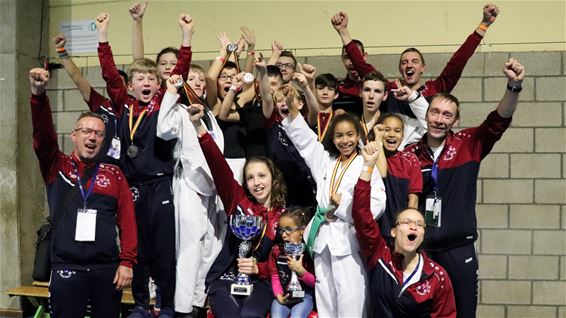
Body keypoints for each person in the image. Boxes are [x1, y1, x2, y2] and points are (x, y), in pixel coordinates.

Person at [405, 58, 525, 317]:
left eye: (447, 114)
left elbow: (499, 119)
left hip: (460, 250)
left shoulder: (469, 144)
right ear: (426, 115)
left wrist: (513, 86)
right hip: (422, 250)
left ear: (456, 120)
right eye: (434, 112)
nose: (439, 119)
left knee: (464, 313)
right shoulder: (411, 154)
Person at [96, 11, 193, 318]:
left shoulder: (162, 101)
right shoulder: (123, 104)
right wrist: (103, 35)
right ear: (131, 86)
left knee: (164, 248)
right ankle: (140, 303)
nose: (147, 81)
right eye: (140, 78)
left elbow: (180, 71)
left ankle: (165, 304)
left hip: (162, 183)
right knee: (136, 247)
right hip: (133, 186)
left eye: (152, 77)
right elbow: (110, 74)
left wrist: (186, 37)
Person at [28, 68, 137, 318]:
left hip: (106, 270)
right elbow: (42, 136)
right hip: (67, 267)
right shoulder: (57, 165)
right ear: (74, 136)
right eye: (86, 131)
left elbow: (128, 222)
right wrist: (38, 95)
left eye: (98, 133)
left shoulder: (114, 174)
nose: (92, 137)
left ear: (103, 140)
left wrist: (127, 261)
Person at [281, 96, 387, 317]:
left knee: (351, 297)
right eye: (339, 135)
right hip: (323, 239)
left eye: (350, 134)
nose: (344, 140)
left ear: (358, 136)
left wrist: (344, 203)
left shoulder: (365, 164)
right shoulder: (328, 161)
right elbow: (308, 143)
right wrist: (292, 111)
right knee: (325, 297)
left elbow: (378, 203)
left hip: (348, 240)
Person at [187, 103, 286, 317]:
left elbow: (285, 262)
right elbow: (218, 165)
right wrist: (199, 128)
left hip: (263, 280)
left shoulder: (284, 216)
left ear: (273, 178)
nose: (256, 183)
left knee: (250, 315)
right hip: (226, 277)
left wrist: (259, 269)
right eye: (250, 177)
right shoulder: (238, 201)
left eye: (262, 176)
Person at [332, 4, 500, 117]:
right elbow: (363, 67)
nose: (409, 65)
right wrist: (343, 32)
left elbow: (458, 62)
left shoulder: (436, 88)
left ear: (423, 68)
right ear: (400, 69)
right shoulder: (390, 90)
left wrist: (483, 26)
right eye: (404, 62)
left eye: (414, 61)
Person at [352, 140, 456, 317]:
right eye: (406, 222)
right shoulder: (379, 256)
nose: (413, 226)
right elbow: (362, 215)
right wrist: (368, 166)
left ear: (423, 235)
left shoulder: (436, 275)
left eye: (419, 224)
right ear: (393, 231)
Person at [157, 74, 226, 317]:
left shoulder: (209, 114)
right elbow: (163, 129)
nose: (197, 82)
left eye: (200, 79)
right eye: (192, 79)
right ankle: (183, 307)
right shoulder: (181, 110)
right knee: (189, 245)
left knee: (212, 244)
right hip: (189, 183)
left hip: (213, 185)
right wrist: (170, 92)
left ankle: (198, 299)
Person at [52, 33, 127, 166]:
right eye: (114, 84)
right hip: (100, 168)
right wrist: (62, 51)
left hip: (129, 171)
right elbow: (77, 78)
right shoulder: (101, 104)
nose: (117, 88)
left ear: (129, 87)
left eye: (120, 84)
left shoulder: (135, 109)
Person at [371, 114, 423, 245]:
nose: (391, 134)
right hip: (374, 230)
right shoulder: (369, 156)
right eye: (386, 130)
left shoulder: (410, 160)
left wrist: (408, 227)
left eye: (397, 130)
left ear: (403, 135)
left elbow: (413, 199)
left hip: (398, 231)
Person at [268, 208, 315, 318]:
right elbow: (275, 276)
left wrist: (301, 271)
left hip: (305, 296)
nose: (284, 235)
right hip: (284, 295)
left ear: (302, 230)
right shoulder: (276, 250)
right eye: (281, 230)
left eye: (289, 229)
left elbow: (316, 283)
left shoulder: (309, 252)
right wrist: (279, 296)